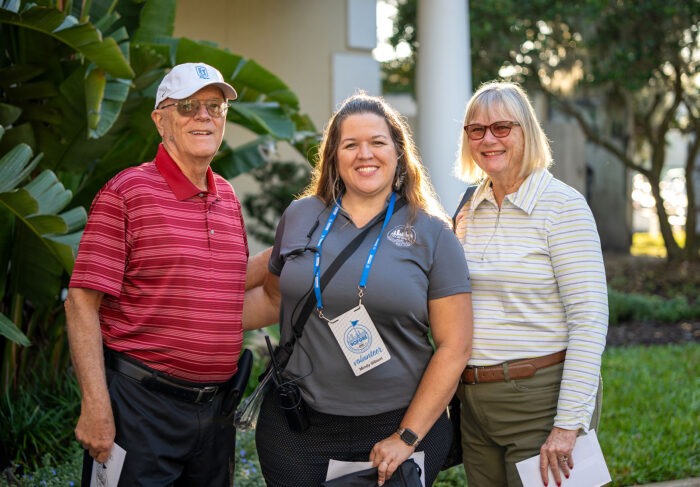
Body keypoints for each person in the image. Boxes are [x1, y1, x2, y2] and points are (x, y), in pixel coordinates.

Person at [242, 93, 473, 487]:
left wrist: (407, 436)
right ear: (334, 156)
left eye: (378, 142)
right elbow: (273, 299)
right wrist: (185, 320)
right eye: (350, 144)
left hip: (396, 426)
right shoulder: (300, 216)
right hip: (297, 428)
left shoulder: (433, 234)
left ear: (398, 153)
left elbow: (455, 347)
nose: (365, 154)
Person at [65, 62, 247, 486]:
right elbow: (81, 302)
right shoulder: (126, 192)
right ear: (160, 120)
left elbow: (224, 288)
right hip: (140, 409)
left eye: (215, 107)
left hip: (214, 414)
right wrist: (95, 406)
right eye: (188, 106)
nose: (203, 116)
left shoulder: (228, 197)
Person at [453, 81, 608, 487]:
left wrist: (567, 424)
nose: (488, 139)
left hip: (539, 404)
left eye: (502, 128)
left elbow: (590, 321)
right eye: (476, 130)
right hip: (474, 406)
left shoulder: (563, 207)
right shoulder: (470, 205)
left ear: (527, 132)